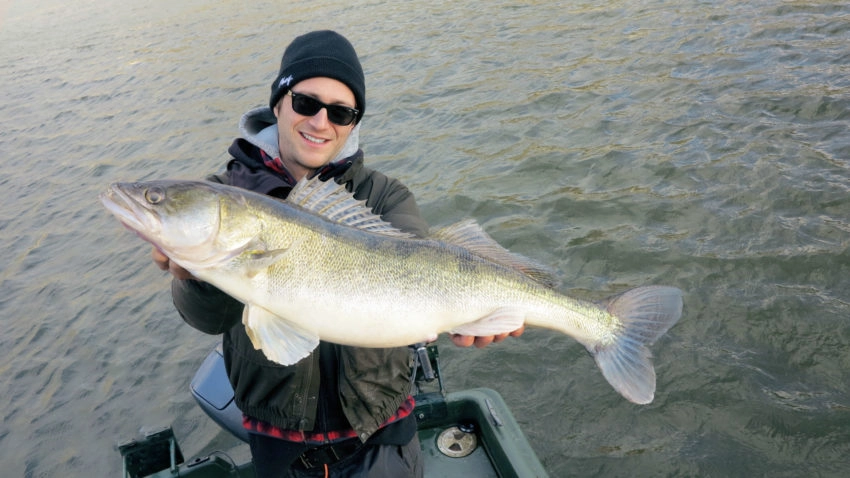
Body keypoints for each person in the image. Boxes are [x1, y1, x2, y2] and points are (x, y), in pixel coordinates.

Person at [151, 30, 523, 477]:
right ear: (279, 103)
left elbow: (415, 275)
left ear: (353, 123)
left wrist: (474, 315)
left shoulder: (383, 194)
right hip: (279, 445)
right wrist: (192, 277)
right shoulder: (225, 193)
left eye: (341, 112)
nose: (320, 122)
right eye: (306, 103)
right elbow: (207, 319)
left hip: (381, 438)